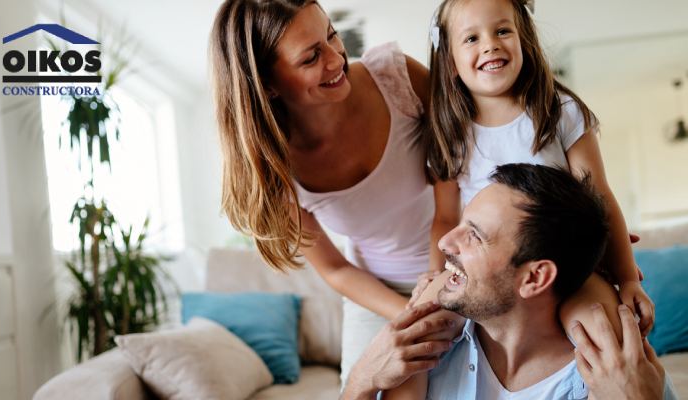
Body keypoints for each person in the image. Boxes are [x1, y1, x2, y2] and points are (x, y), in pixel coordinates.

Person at [210, 0, 463, 385]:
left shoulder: (397, 77)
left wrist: (435, 284)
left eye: (331, 35)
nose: (337, 59)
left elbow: (458, 166)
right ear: (269, 85)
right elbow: (335, 268)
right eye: (312, 57)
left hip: (456, 261)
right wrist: (410, 313)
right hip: (377, 293)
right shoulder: (274, 171)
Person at [342, 163, 676, 400]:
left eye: (474, 236)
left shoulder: (619, 377)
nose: (444, 243)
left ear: (534, 277)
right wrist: (361, 381)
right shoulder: (425, 347)